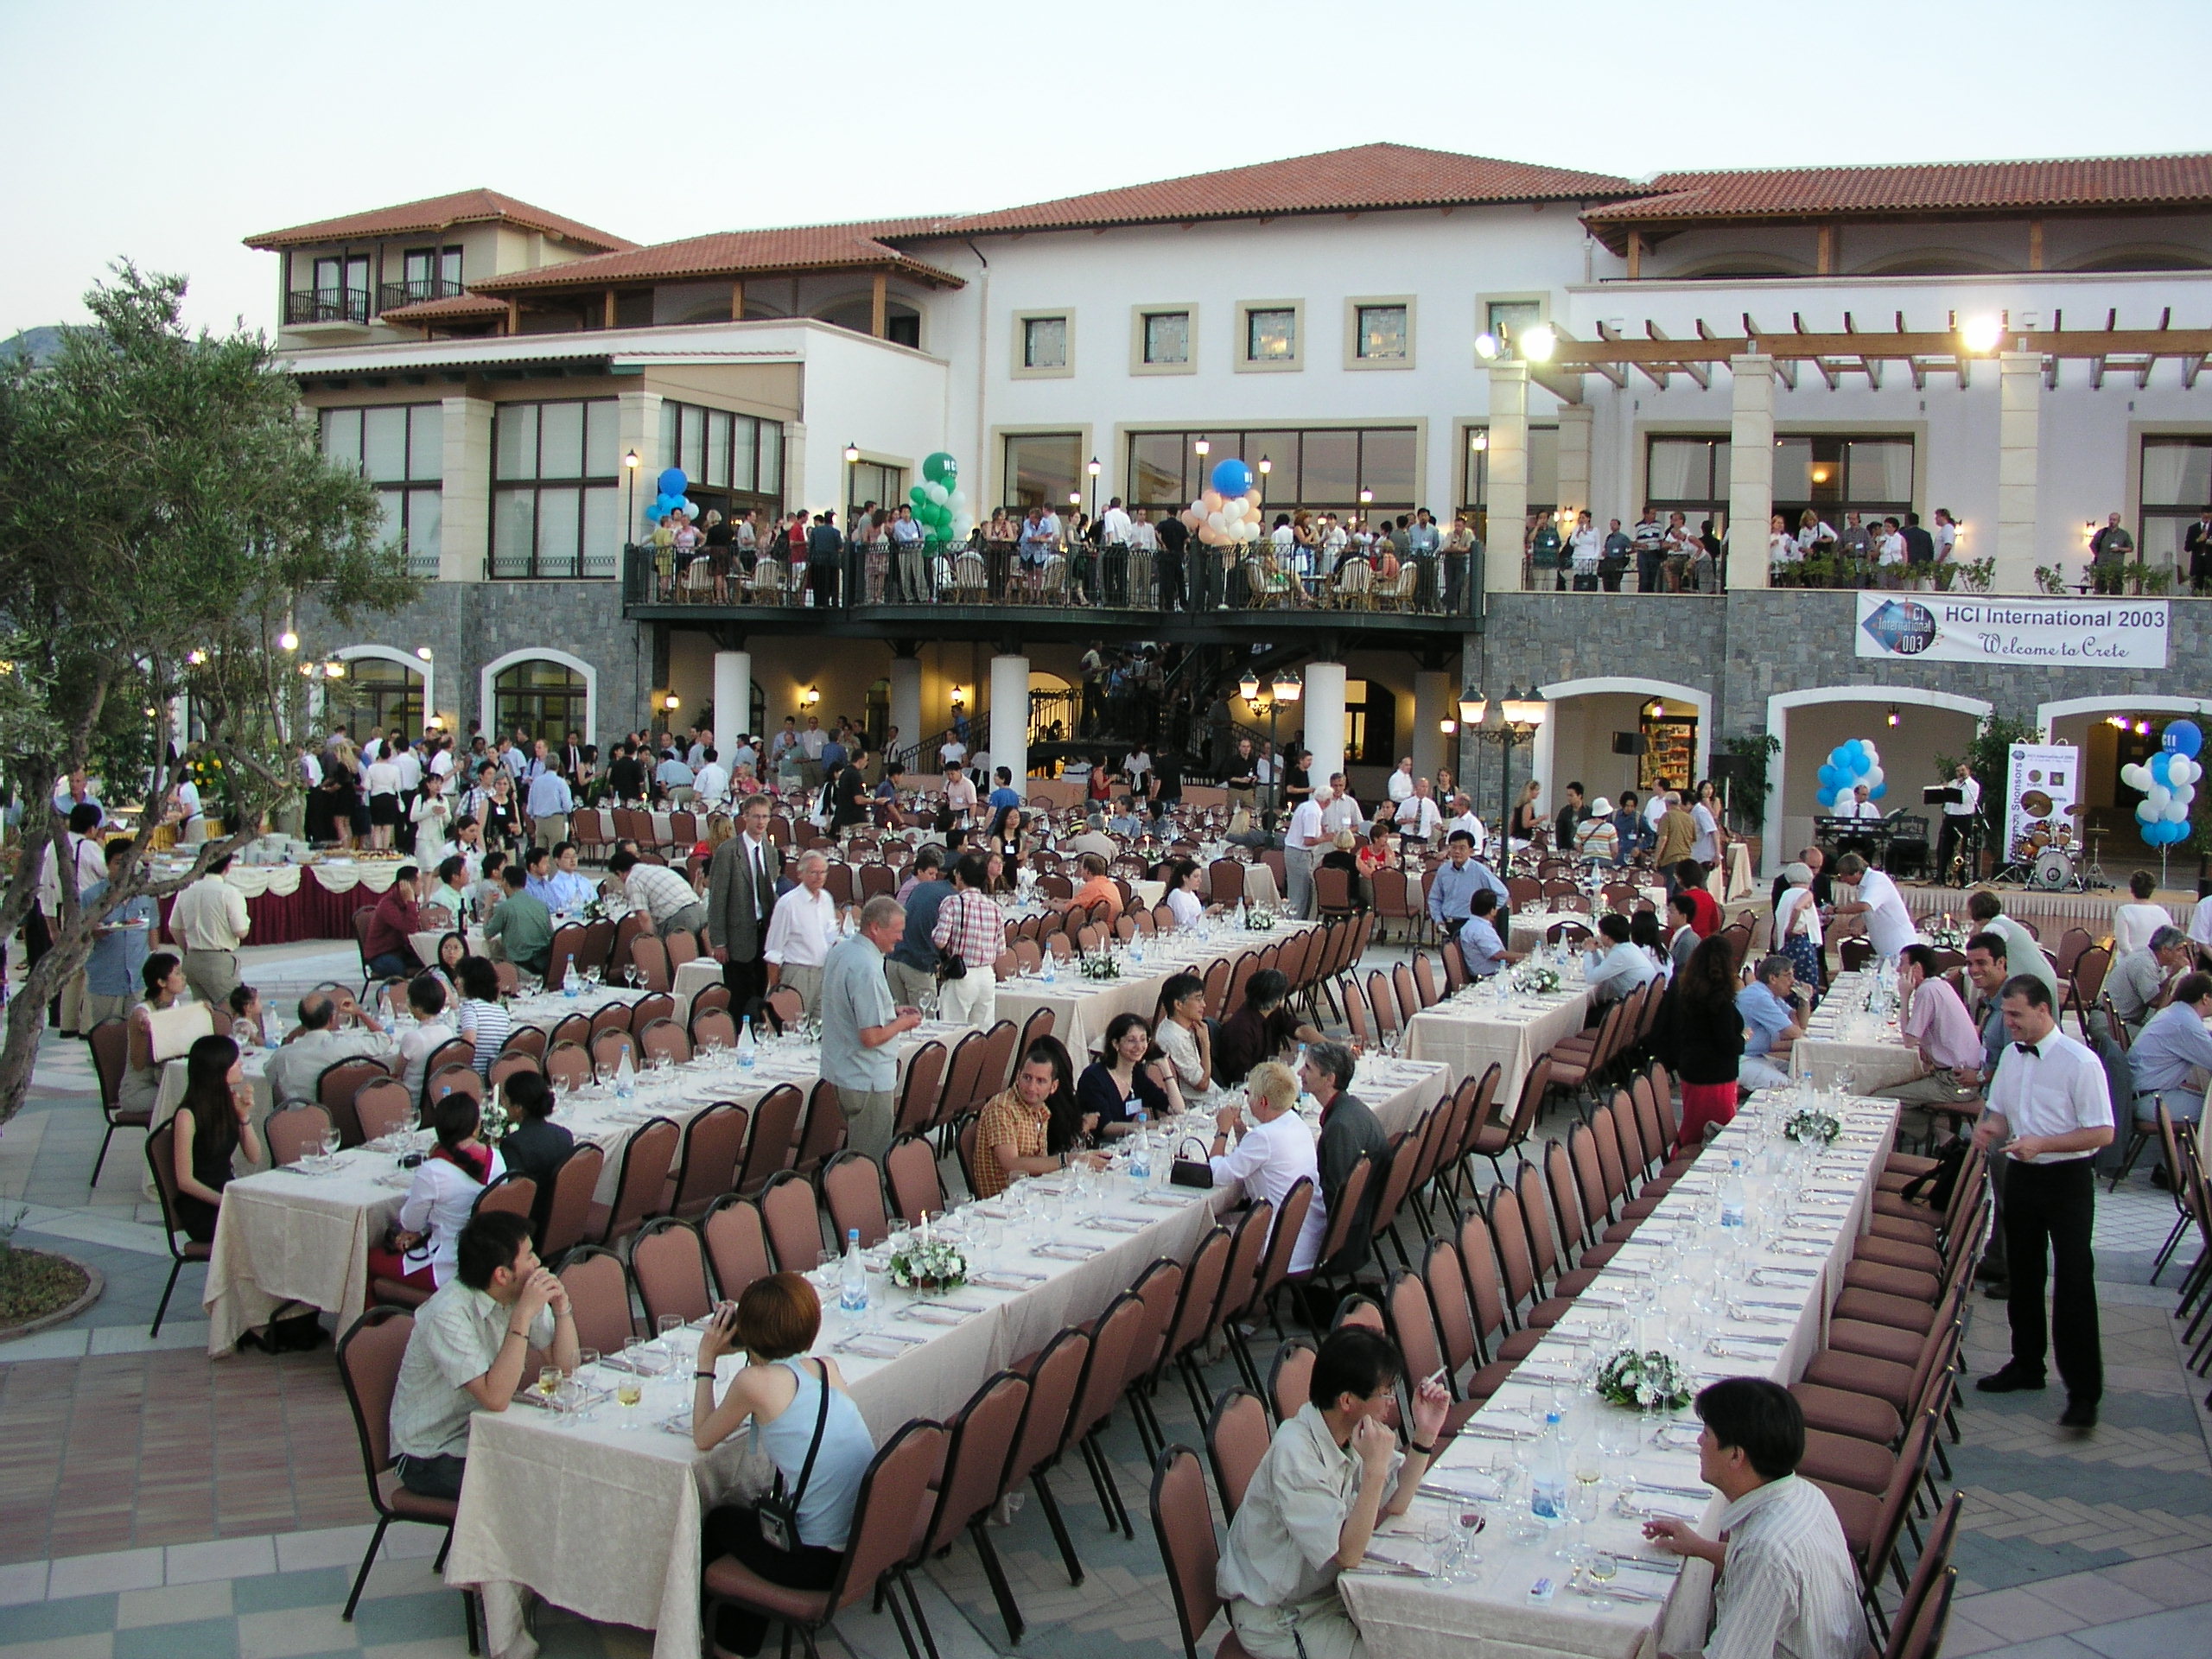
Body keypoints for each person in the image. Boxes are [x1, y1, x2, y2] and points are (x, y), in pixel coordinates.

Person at [1216, 1325, 1450, 1659]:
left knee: (1419, 1637)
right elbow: (1349, 1554)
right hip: (1280, 1616)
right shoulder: (1295, 1455)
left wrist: (1426, 1434)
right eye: (1384, 1393)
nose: (1391, 1403)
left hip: (1328, 1595)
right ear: (1347, 1401)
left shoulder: (1346, 1431)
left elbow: (1396, 1502)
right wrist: (1374, 1471)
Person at [691, 1274, 879, 1657]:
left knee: (719, 1521)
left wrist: (707, 1360)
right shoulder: (827, 1368)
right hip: (864, 1545)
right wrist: (754, 1347)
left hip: (818, 1564)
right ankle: (740, 1635)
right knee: (756, 1524)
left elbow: (703, 1437)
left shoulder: (752, 1383)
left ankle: (724, 1647)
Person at [1973, 974, 2113, 1428]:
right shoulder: (2014, 1058)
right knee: (2025, 1275)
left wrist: (2044, 1144)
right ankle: (2027, 1364)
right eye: (2005, 1014)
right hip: (2023, 1178)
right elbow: (2001, 1110)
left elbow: (2102, 1132)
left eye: (2015, 1015)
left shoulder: (2079, 1062)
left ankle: (2083, 1392)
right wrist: (1992, 1127)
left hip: (2067, 1180)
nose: (2007, 1023)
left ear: (2043, 1010)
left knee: (2073, 1281)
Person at [1639, 1378, 1862, 1659]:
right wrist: (1698, 1546)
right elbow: (1763, 1567)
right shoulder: (1805, 1494)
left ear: (1735, 1456)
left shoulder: (1767, 1552)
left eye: (1707, 1434)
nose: (1699, 1441)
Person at [388, 1210, 577, 1500]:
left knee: (567, 1465)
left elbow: (566, 1369)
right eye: (528, 1256)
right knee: (537, 1486)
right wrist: (524, 1316)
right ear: (502, 1275)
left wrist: (562, 1308)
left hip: (486, 1433)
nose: (538, 1263)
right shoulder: (448, 1313)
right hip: (430, 1454)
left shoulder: (517, 1294)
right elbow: (495, 1398)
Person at [370, 1093, 505, 1295]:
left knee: (369, 1259)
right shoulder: (497, 1157)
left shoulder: (433, 1170)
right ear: (476, 1128)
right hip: (486, 1258)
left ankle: (376, 1325)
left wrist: (415, 1231)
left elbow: (410, 1223)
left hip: (449, 1266)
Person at [817, 895, 921, 1157]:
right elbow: (871, 1037)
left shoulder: (842, 950)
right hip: (867, 1077)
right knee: (868, 1162)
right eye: (896, 932)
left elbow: (847, 1005)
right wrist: (902, 1023)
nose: (900, 938)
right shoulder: (867, 968)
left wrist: (890, 1011)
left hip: (844, 1071)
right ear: (875, 928)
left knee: (859, 1154)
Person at [1205, 1062, 1329, 1274]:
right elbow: (1256, 1156)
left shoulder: (1264, 1136)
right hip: (1309, 1236)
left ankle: (1234, 1300)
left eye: (1249, 1093)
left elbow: (1215, 1174)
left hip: (1281, 1248)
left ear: (1262, 1101)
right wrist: (1239, 1127)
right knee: (1225, 1221)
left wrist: (1222, 1131)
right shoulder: (1294, 1122)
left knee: (1205, 1239)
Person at [974, 1047, 1110, 1198]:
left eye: (1041, 1081)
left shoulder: (1042, 1110)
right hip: (1004, 1201)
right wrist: (1067, 1160)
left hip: (1035, 1193)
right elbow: (1011, 1165)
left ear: (1053, 1087)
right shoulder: (1001, 1108)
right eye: (1027, 1078)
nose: (1032, 1087)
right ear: (1018, 1077)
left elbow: (1040, 1163)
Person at [1304, 1043, 1389, 1280]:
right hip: (1361, 1220)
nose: (1300, 1073)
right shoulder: (1351, 1107)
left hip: (1345, 1240)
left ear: (1329, 1079)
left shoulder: (1340, 1126)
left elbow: (1337, 1195)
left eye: (1308, 1068)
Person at [168, 1033, 264, 1243]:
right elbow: (185, 1181)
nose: (240, 1064)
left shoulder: (228, 1102)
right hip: (202, 1205)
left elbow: (255, 1156)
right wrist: (226, 1201)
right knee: (263, 1229)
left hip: (227, 1190)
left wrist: (244, 1117)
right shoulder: (187, 1115)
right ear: (218, 1068)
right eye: (234, 1061)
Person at [1873, 945, 1986, 1120]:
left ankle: (1937, 1131)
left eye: (1902, 964)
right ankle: (1941, 1134)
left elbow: (1909, 1041)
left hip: (1955, 1081)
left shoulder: (1927, 990)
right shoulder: (1940, 985)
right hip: (1957, 1073)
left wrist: (1904, 996)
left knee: (1879, 1100)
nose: (1897, 969)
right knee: (1896, 1093)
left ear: (1916, 968)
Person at [1663, 934, 1746, 1148]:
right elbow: (1728, 1044)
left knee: (1692, 1126)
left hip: (1693, 1069)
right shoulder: (1720, 1003)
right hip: (1716, 1075)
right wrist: (1744, 1037)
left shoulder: (1691, 993)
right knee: (1715, 1130)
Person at [707, 796, 785, 1016]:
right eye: (756, 816)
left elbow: (771, 892)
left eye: (765, 817)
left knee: (760, 993)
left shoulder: (770, 852)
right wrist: (718, 941)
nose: (761, 822)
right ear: (745, 817)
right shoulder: (728, 851)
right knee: (740, 998)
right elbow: (717, 900)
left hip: (764, 933)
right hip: (736, 937)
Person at [264, 988, 390, 1109]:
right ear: (331, 1018)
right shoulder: (344, 1046)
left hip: (299, 1123)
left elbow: (269, 1074)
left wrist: (291, 1036)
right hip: (341, 1117)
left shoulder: (284, 1055)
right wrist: (360, 1013)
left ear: (302, 1022)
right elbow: (384, 1039)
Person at [79, 837, 156, 1027]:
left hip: (139, 978)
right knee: (108, 1034)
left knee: (139, 1034)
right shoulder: (91, 896)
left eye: (129, 862)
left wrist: (154, 960)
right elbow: (80, 935)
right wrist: (95, 933)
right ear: (107, 864)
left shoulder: (145, 893)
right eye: (118, 863)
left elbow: (153, 928)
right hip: (106, 978)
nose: (124, 868)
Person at [2124, 971, 2212, 1129]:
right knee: (2209, 1112)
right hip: (2151, 1100)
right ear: (2205, 998)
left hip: (2142, 1093)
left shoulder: (2176, 1012)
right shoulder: (2186, 1023)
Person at [1077, 1013, 1183, 1138]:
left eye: (1143, 1039)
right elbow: (1106, 1127)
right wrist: (1152, 1125)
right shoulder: (1094, 1077)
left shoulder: (1137, 1075)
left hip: (1125, 1147)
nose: (1139, 1046)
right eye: (1131, 1040)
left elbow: (1178, 1110)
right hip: (1098, 1149)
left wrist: (1165, 1068)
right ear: (1115, 1044)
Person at [169, 853, 252, 1010]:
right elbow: (241, 931)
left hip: (192, 959)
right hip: (218, 960)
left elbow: (174, 928)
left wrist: (187, 950)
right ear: (228, 867)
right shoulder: (229, 892)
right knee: (235, 1011)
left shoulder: (186, 890)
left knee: (203, 1013)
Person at [762, 851, 839, 1015]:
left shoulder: (827, 899)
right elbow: (773, 952)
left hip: (823, 973)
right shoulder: (788, 904)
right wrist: (776, 990)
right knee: (795, 1027)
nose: (819, 877)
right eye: (813, 872)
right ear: (800, 874)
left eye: (823, 872)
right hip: (797, 974)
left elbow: (831, 938)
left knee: (821, 1028)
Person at [1215, 969, 1323, 1084]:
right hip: (1248, 1086)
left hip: (1267, 1078)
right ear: (1278, 1001)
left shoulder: (1273, 1013)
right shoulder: (1241, 1029)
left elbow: (1300, 1030)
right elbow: (1241, 1077)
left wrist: (1331, 1047)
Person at [1962, 891, 2060, 1006]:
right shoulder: (2004, 922)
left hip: (2033, 982)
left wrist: (1961, 971)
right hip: (2043, 975)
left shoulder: (1994, 928)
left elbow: (1986, 962)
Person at [1828, 854, 1916, 963]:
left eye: (1844, 875)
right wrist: (1862, 928)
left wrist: (1835, 910)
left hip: (1898, 945)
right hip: (1884, 948)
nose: (1842, 879)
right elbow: (1873, 913)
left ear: (1856, 872)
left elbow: (1864, 906)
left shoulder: (1877, 879)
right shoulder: (1864, 885)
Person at [1736, 955, 1806, 1090]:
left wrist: (1804, 999)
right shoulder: (1760, 997)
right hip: (1740, 1060)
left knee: (1803, 1073)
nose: (1793, 981)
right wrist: (1796, 1029)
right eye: (1788, 976)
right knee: (1790, 1088)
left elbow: (1799, 1023)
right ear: (1772, 978)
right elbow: (1794, 1032)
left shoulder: (1769, 994)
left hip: (1755, 1056)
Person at [612, 849, 709, 940]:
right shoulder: (657, 869)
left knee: (678, 956)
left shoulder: (633, 879)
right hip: (700, 912)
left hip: (680, 920)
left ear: (619, 873)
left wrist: (653, 942)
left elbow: (644, 917)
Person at [2107, 924, 2190, 1031]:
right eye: (2179, 949)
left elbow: (2162, 994)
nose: (2182, 954)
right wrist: (2173, 974)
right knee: (2161, 1040)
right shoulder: (2144, 963)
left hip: (2121, 1020)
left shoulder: (2152, 959)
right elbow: (2155, 1002)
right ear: (2165, 949)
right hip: (2110, 1023)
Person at [396, 974, 458, 1103]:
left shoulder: (412, 1038)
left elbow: (397, 1073)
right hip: (438, 1095)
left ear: (418, 1007)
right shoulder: (448, 1031)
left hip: (412, 1098)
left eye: (409, 999)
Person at [483, 863, 553, 978]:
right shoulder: (541, 905)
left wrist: (487, 906)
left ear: (505, 882)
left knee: (493, 956)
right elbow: (551, 934)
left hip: (521, 962)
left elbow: (487, 933)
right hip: (545, 959)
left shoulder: (505, 907)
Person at [360, 866, 427, 982]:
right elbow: (410, 928)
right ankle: (399, 995)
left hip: (401, 952)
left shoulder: (409, 900)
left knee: (431, 960)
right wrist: (411, 902)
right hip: (380, 955)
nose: (423, 885)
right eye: (420, 881)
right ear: (408, 885)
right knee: (397, 968)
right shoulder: (388, 905)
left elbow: (414, 930)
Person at [1154, 971, 1213, 1093]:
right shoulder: (1174, 1039)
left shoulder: (1180, 1025)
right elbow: (1203, 1085)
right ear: (1178, 1005)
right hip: (1200, 1105)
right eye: (1198, 999)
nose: (1204, 1005)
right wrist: (1205, 1044)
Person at [452, 957, 512, 1076]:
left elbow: (469, 1042)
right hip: (493, 1073)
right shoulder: (501, 1010)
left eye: (460, 977)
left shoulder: (470, 1007)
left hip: (472, 1073)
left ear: (472, 980)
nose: (456, 982)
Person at [1771, 862, 1824, 994]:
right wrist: (1790, 928)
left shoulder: (1785, 895)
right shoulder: (1806, 894)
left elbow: (1778, 922)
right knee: (1806, 986)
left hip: (1785, 944)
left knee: (1790, 984)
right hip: (1801, 942)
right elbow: (1798, 907)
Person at [1585, 912, 1657, 1006]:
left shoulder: (1620, 954)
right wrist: (1594, 952)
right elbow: (1603, 969)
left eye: (1601, 934)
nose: (1599, 937)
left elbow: (1591, 979)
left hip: (1632, 1008)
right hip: (1640, 1004)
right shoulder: (1629, 947)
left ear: (1607, 937)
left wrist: (1587, 951)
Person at [1282, 783, 1327, 920]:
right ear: (1327, 801)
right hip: (1300, 854)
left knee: (1305, 895)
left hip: (1296, 853)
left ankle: (1300, 927)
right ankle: (1293, 930)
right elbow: (1308, 840)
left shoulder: (1306, 806)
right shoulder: (1313, 812)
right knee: (1299, 897)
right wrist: (1326, 838)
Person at [1936, 761, 1982, 880]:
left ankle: (1961, 878)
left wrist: (1949, 792)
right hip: (1950, 817)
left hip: (1963, 818)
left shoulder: (1973, 785)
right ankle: (1941, 876)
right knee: (1943, 847)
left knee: (1961, 849)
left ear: (1968, 771)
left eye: (1962, 770)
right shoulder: (1953, 783)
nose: (1960, 773)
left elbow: (1963, 798)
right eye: (1958, 771)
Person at [1456, 890, 1516, 980]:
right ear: (1492, 910)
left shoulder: (1471, 925)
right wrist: (1527, 957)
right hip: (1489, 977)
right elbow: (1497, 955)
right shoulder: (1481, 929)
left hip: (1487, 974)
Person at [2112, 870, 2169, 957]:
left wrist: (2137, 961)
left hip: (2128, 963)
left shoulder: (2124, 911)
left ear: (2131, 889)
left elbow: (2123, 946)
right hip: (2155, 963)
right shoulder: (2163, 913)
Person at [2088, 512, 2133, 595]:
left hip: (2116, 566)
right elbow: (2092, 545)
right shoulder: (2102, 533)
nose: (2112, 522)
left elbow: (2130, 548)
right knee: (2100, 589)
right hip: (2102, 566)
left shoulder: (2123, 534)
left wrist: (2119, 549)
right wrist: (2099, 556)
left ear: (2118, 521)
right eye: (2110, 520)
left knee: (2116, 589)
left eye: (2114, 520)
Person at [1161, 858, 1210, 931]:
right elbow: (1184, 925)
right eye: (1196, 877)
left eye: (1200, 877)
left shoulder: (1192, 894)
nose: (1200, 880)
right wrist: (1207, 913)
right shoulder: (1177, 895)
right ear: (1185, 878)